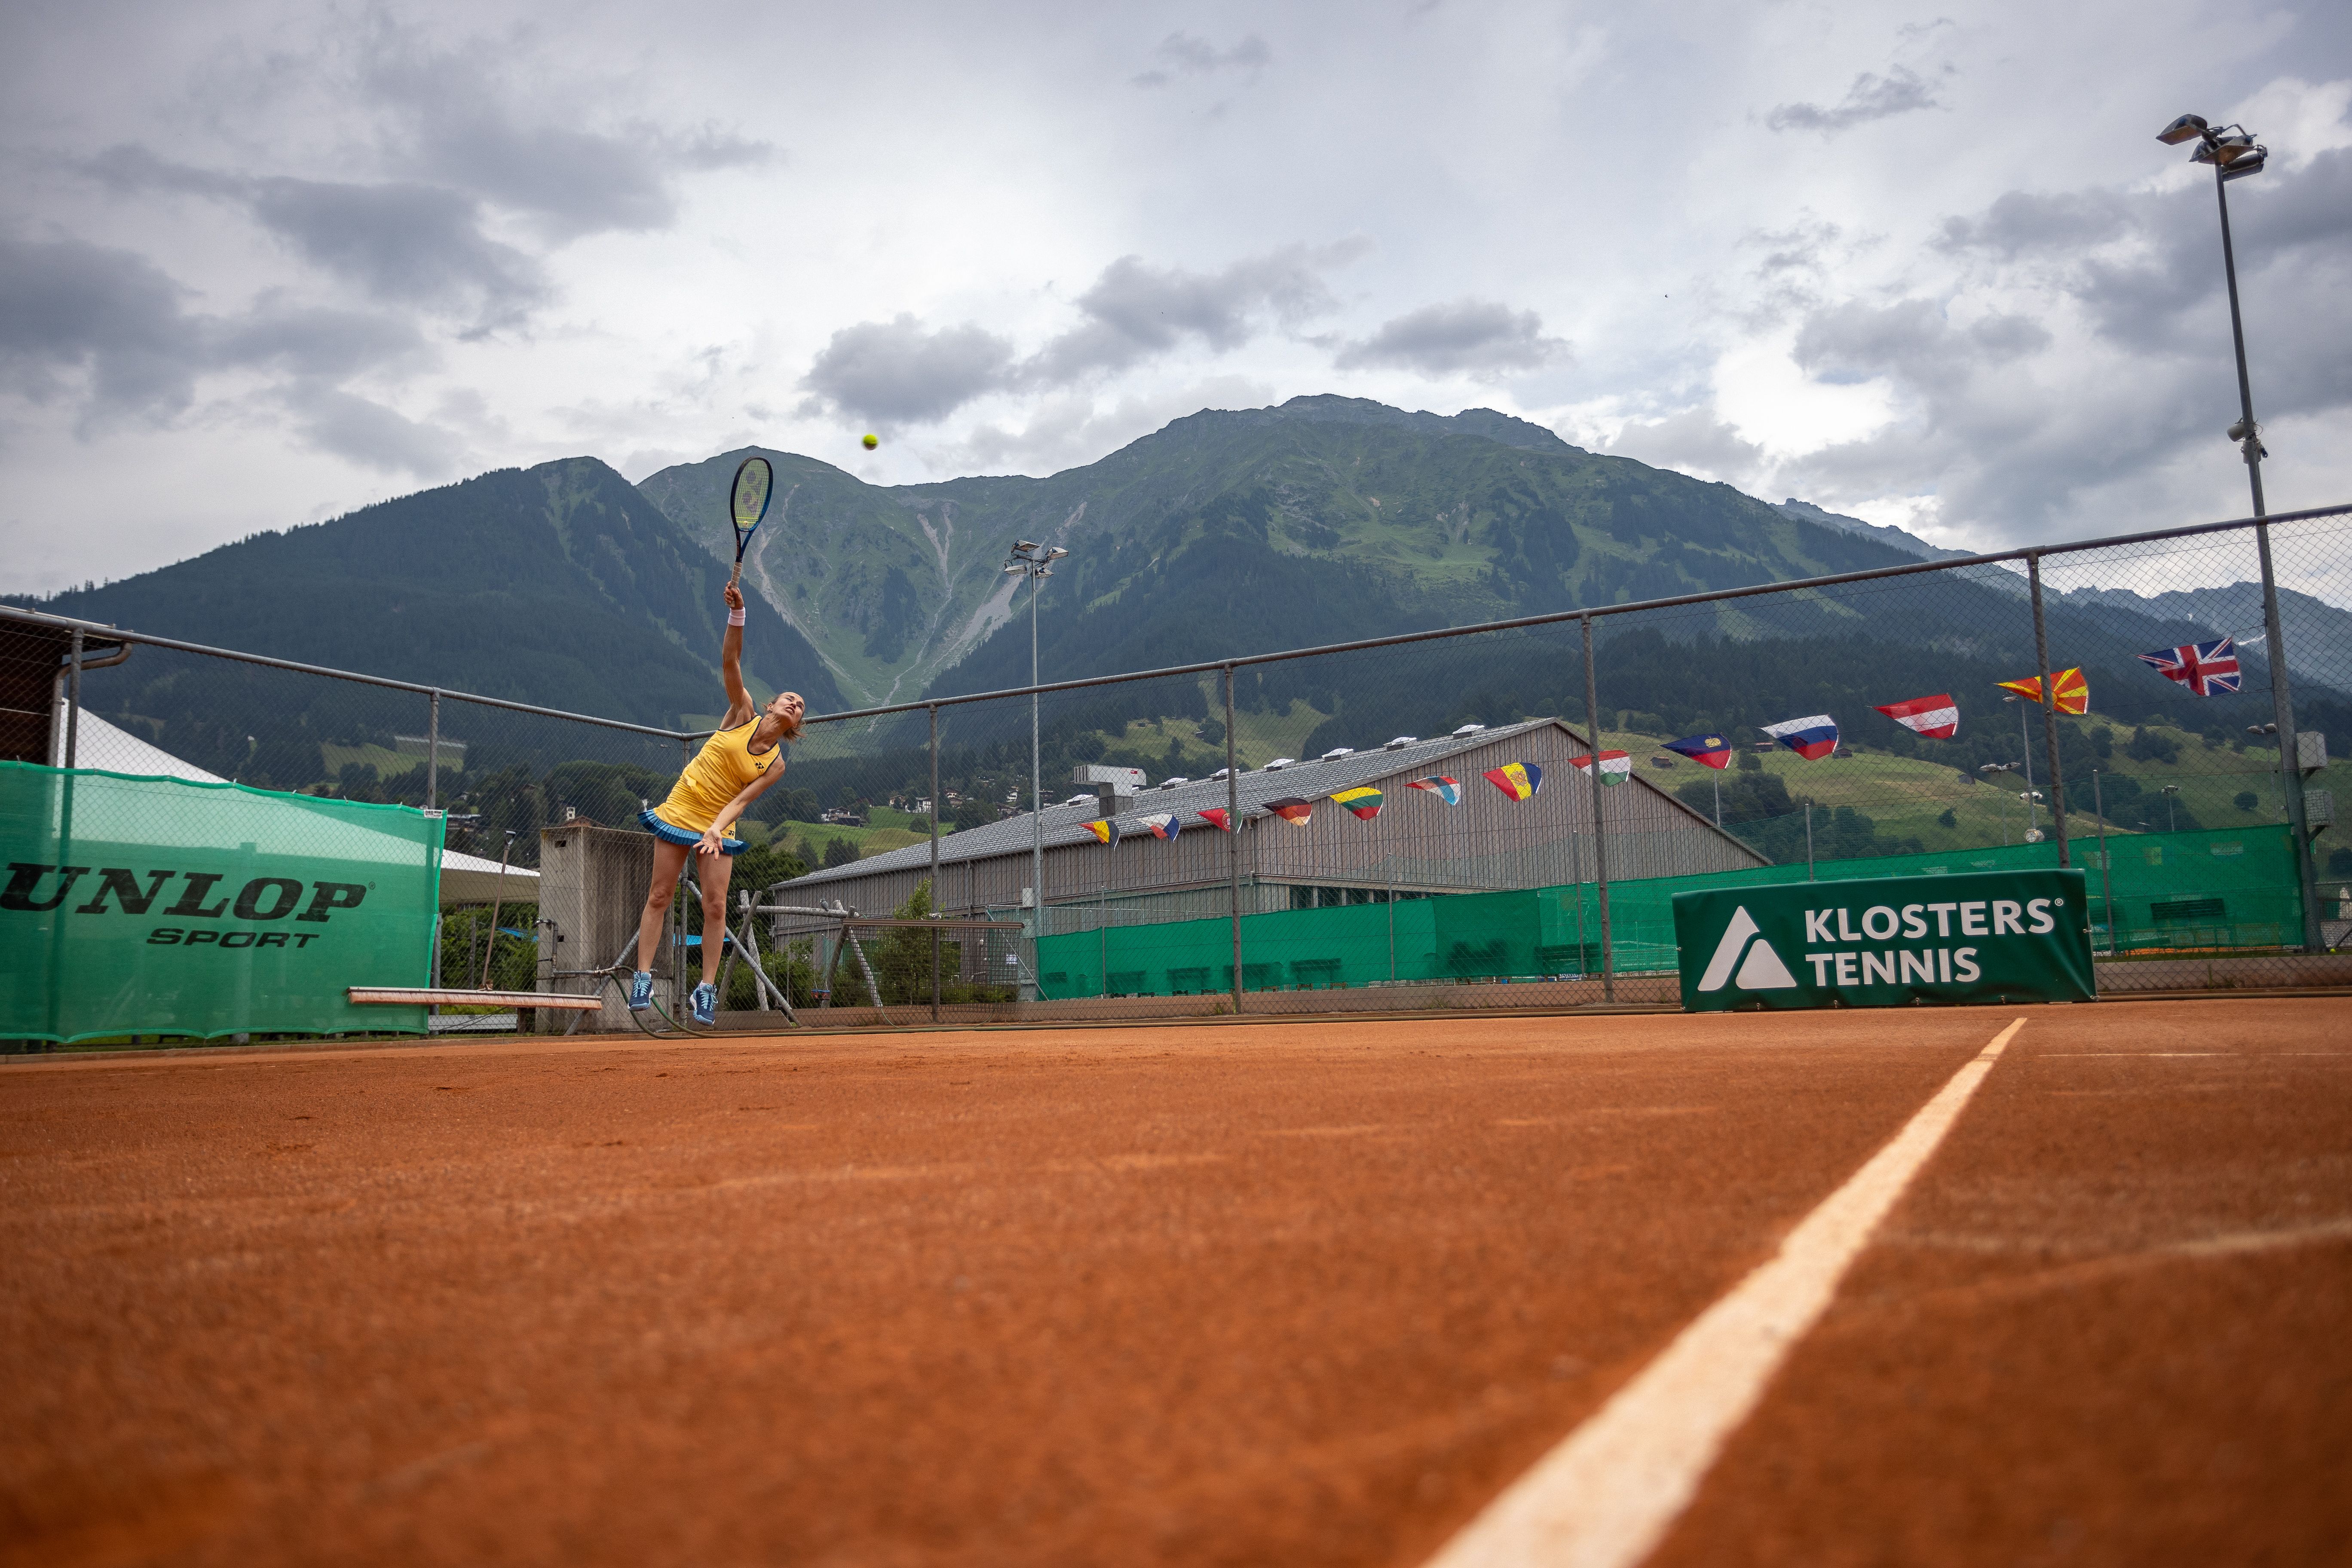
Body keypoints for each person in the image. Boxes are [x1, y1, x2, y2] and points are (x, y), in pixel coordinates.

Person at [631, 582, 804, 1024]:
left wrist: (715, 829)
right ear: (771, 704)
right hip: (681, 809)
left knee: (715, 906)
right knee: (660, 895)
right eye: (790, 698)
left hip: (719, 824)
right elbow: (731, 660)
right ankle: (643, 976)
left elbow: (743, 801)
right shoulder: (742, 711)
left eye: (801, 707)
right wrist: (738, 614)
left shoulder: (777, 763)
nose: (795, 704)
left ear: (796, 725)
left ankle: (705, 991)